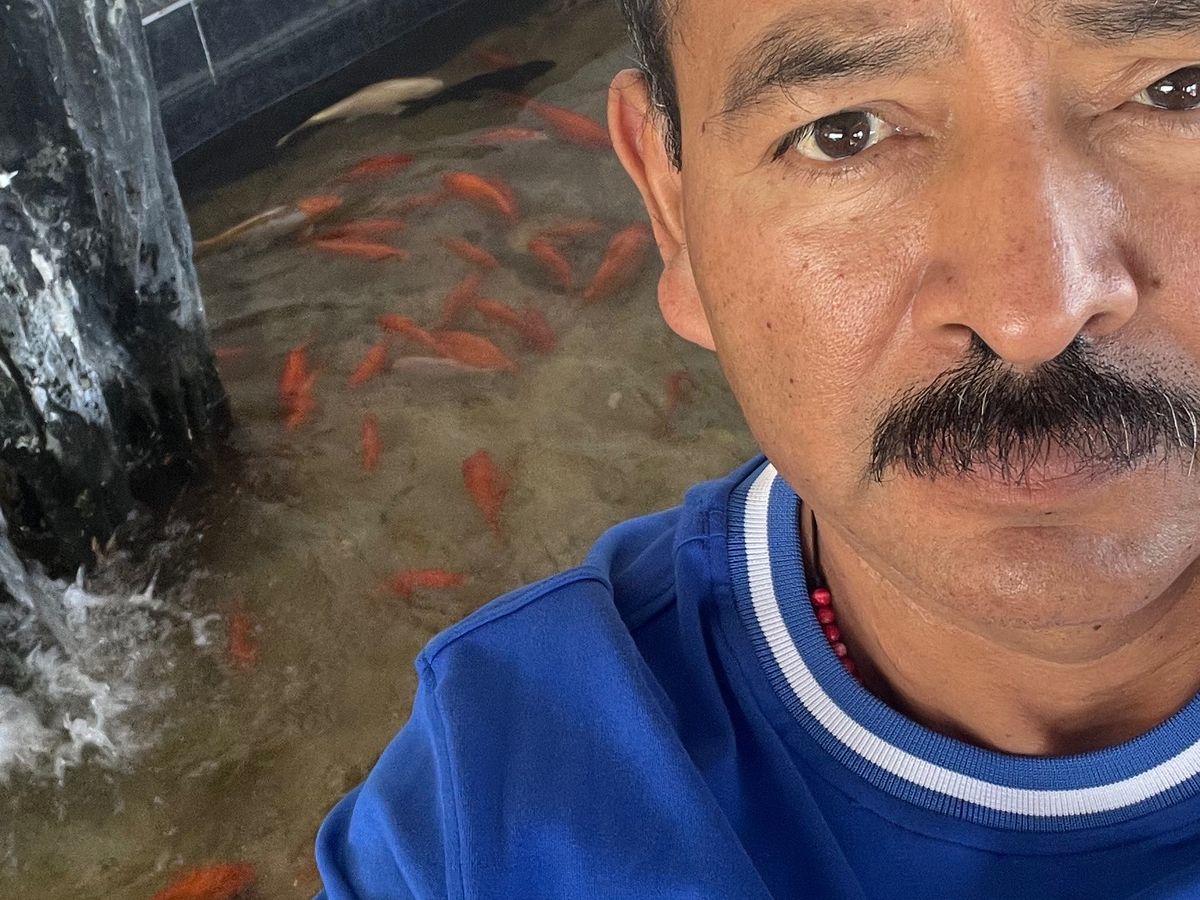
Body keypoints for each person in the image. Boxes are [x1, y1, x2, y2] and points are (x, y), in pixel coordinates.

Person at [314, 0, 1200, 896]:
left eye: (1180, 90)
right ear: (673, 208)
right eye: (842, 134)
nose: (1032, 314)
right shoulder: (485, 813)